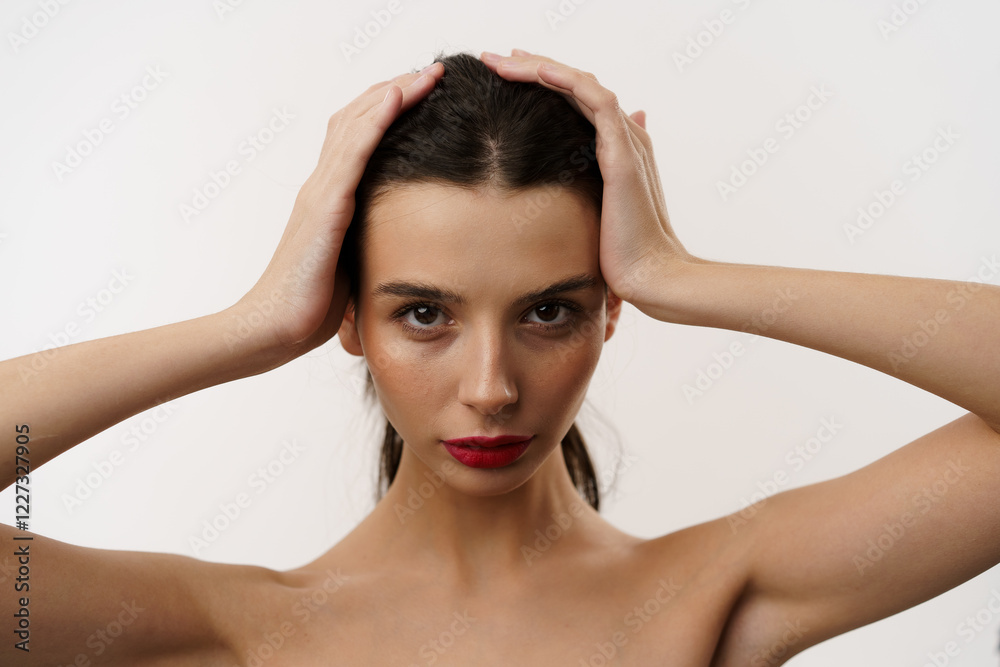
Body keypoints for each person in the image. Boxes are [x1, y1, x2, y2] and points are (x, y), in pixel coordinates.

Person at [2, 47, 999, 666]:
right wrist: (253, 323)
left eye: (550, 311)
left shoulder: (712, 598)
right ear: (344, 317)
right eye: (424, 313)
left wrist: (678, 274)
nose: (491, 387)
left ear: (611, 310)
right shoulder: (233, 630)